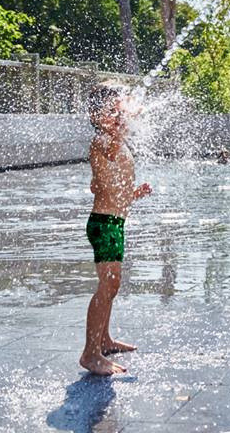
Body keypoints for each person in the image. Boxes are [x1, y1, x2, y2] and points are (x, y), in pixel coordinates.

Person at [80, 83, 153, 376]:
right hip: (103, 224)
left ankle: (105, 340)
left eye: (117, 110)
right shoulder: (101, 141)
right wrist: (123, 122)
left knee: (113, 284)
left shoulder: (116, 141)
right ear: (97, 116)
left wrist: (136, 193)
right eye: (111, 111)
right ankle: (90, 353)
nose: (117, 116)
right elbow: (109, 154)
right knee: (106, 285)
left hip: (114, 222)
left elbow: (114, 189)